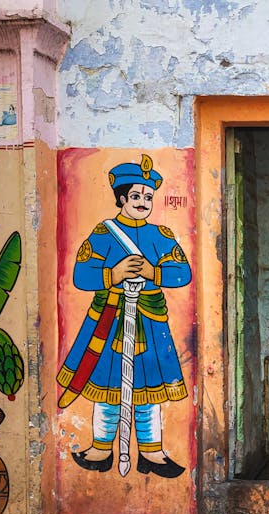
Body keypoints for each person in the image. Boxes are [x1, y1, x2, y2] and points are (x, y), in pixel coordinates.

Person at [57, 154, 191, 479]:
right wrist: (112, 274)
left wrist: (152, 271)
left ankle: (152, 452)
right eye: (136, 196)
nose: (143, 202)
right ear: (121, 198)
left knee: (149, 391)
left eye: (148, 196)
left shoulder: (161, 236)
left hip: (149, 321)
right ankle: (101, 449)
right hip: (108, 319)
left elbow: (182, 272)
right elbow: (81, 276)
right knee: (107, 388)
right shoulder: (103, 235)